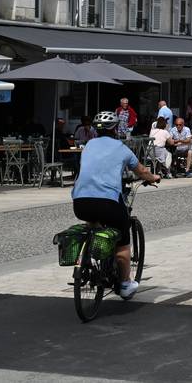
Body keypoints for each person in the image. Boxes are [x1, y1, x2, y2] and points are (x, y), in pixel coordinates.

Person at [71, 111, 161, 299]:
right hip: (108, 202)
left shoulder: (88, 146)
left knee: (93, 222)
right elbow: (142, 171)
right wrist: (153, 177)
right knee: (122, 242)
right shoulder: (121, 148)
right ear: (116, 129)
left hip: (80, 201)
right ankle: (125, 283)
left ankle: (91, 255)